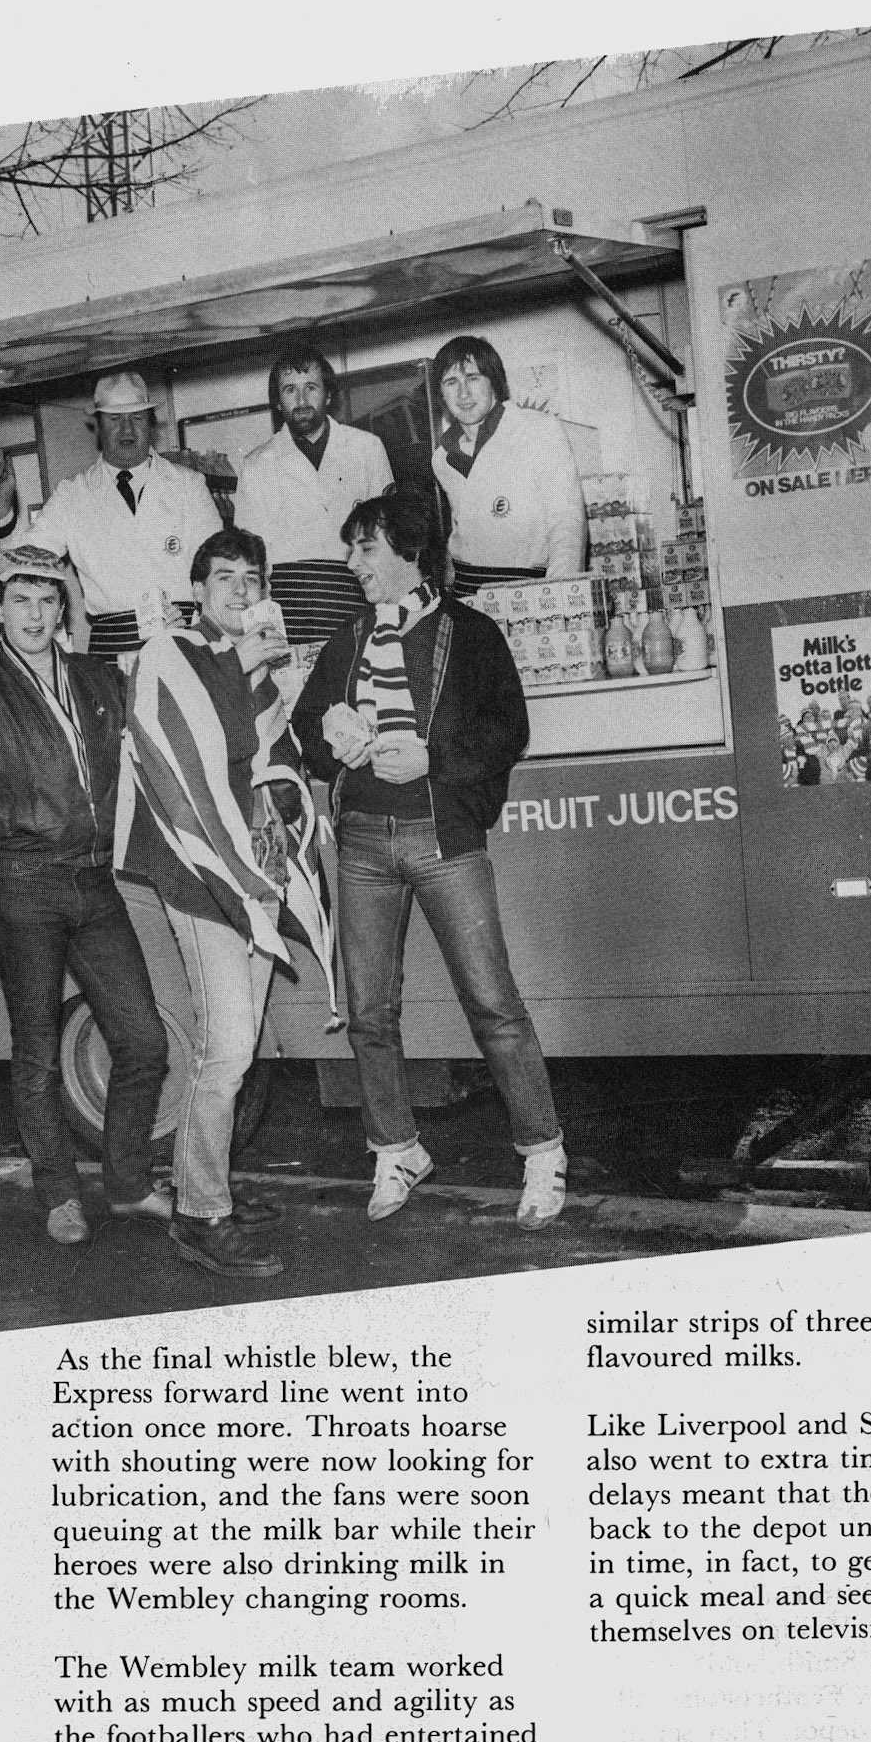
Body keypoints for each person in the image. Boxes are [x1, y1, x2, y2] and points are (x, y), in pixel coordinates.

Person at [291, 489, 569, 1231]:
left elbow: (508, 729)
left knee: (493, 1006)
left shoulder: (470, 634)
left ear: (410, 551)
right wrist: (333, 734)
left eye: (366, 548)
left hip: (444, 841)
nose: (353, 564)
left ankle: (543, 1154)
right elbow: (303, 731)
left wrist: (430, 758)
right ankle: (395, 1149)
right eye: (351, 549)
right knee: (370, 1014)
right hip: (361, 843)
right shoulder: (346, 641)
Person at [0, 542, 171, 1246]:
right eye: (20, 602)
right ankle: (59, 1193)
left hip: (95, 881)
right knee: (35, 1051)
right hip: (26, 886)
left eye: (47, 601)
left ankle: (126, 1185)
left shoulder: (98, 678)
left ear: (62, 609)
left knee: (143, 1039)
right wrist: (20, 817)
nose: (34, 615)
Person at [119, 525, 338, 1280]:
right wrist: (246, 666)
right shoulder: (170, 654)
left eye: (252, 578)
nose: (239, 592)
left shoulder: (256, 664)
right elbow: (200, 752)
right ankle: (199, 1215)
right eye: (224, 578)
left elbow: (273, 761)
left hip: (252, 874)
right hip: (205, 880)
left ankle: (199, 1186)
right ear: (197, 591)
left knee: (233, 1051)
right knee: (228, 1050)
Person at [0, 368, 223, 663]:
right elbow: (23, 562)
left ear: (151, 424)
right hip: (111, 652)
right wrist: (2, 513)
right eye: (114, 419)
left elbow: (218, 573)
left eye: (136, 418)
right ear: (97, 425)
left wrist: (199, 632)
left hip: (185, 639)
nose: (126, 430)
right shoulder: (73, 494)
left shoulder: (189, 486)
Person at [235, 337, 394, 645]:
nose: (301, 399)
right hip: (291, 612)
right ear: (278, 403)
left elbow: (387, 539)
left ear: (329, 395)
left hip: (357, 597)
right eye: (290, 390)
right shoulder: (255, 465)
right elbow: (249, 559)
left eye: (311, 387)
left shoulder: (367, 448)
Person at [428, 334, 587, 599]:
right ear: (441, 394)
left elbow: (567, 522)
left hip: (525, 589)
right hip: (465, 592)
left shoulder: (538, 430)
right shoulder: (442, 456)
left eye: (473, 378)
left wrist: (560, 595)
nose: (463, 393)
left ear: (494, 382)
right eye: (451, 382)